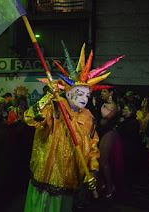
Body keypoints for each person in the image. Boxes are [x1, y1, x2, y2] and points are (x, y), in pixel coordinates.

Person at [23, 42, 123, 211]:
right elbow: (30, 119)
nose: (85, 97)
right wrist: (47, 97)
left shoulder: (88, 118)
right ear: (69, 92)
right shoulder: (55, 108)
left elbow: (92, 148)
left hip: (69, 183)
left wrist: (93, 171)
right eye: (80, 92)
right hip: (46, 181)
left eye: (87, 94)